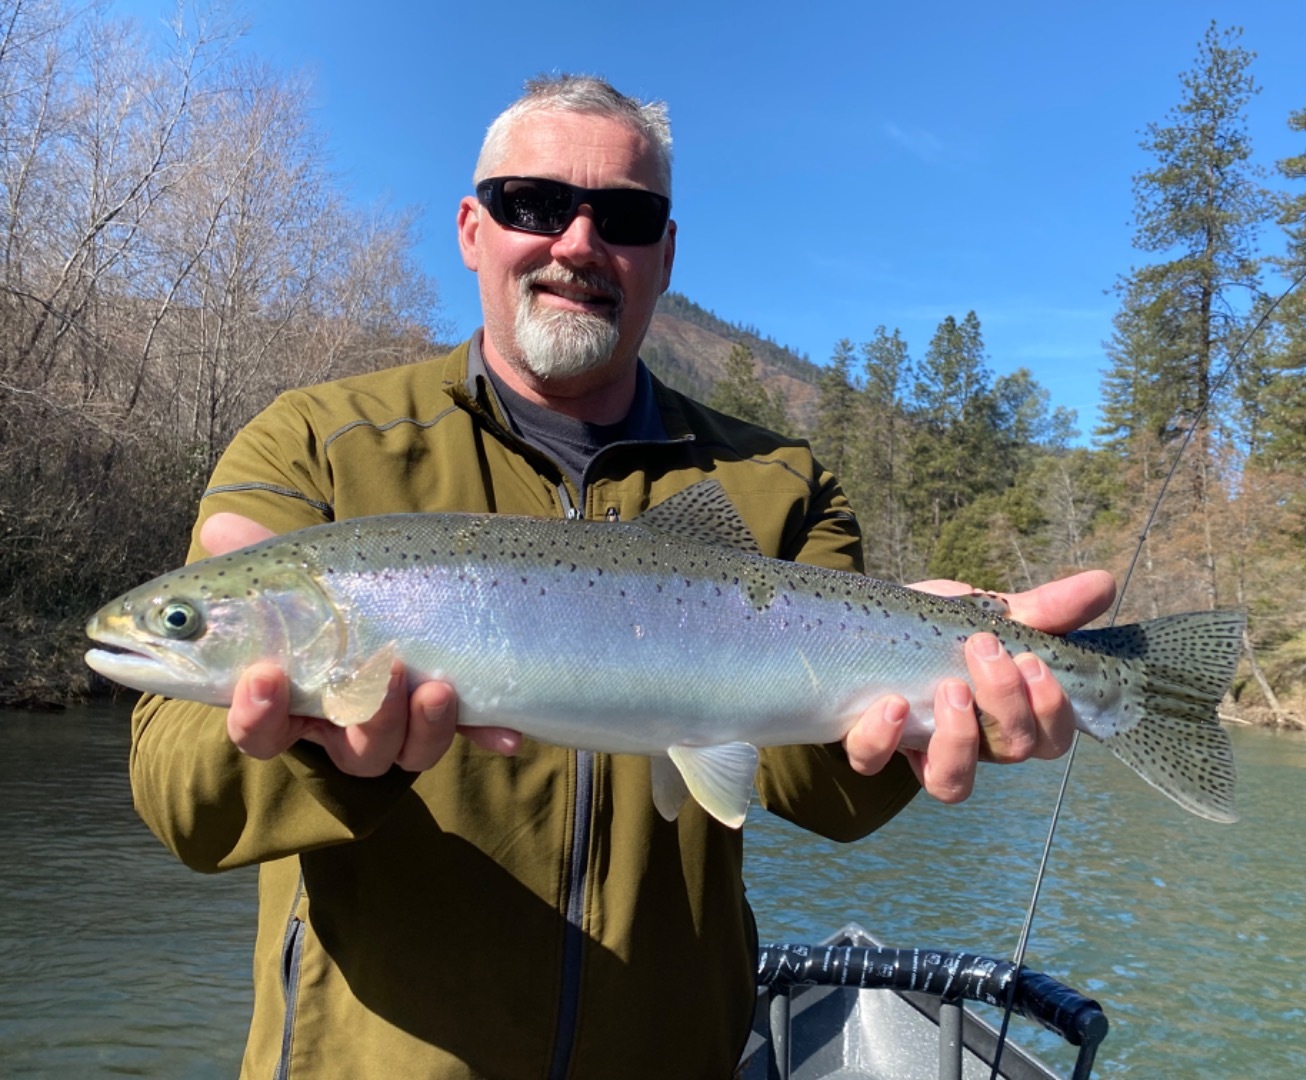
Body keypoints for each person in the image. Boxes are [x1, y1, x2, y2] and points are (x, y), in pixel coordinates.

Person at [130, 75, 1115, 1079]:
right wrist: (322, 757)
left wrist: (933, 696)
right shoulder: (316, 447)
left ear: (666, 255)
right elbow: (180, 794)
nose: (579, 243)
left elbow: (816, 787)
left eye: (626, 217)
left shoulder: (778, 484)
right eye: (536, 205)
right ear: (473, 229)